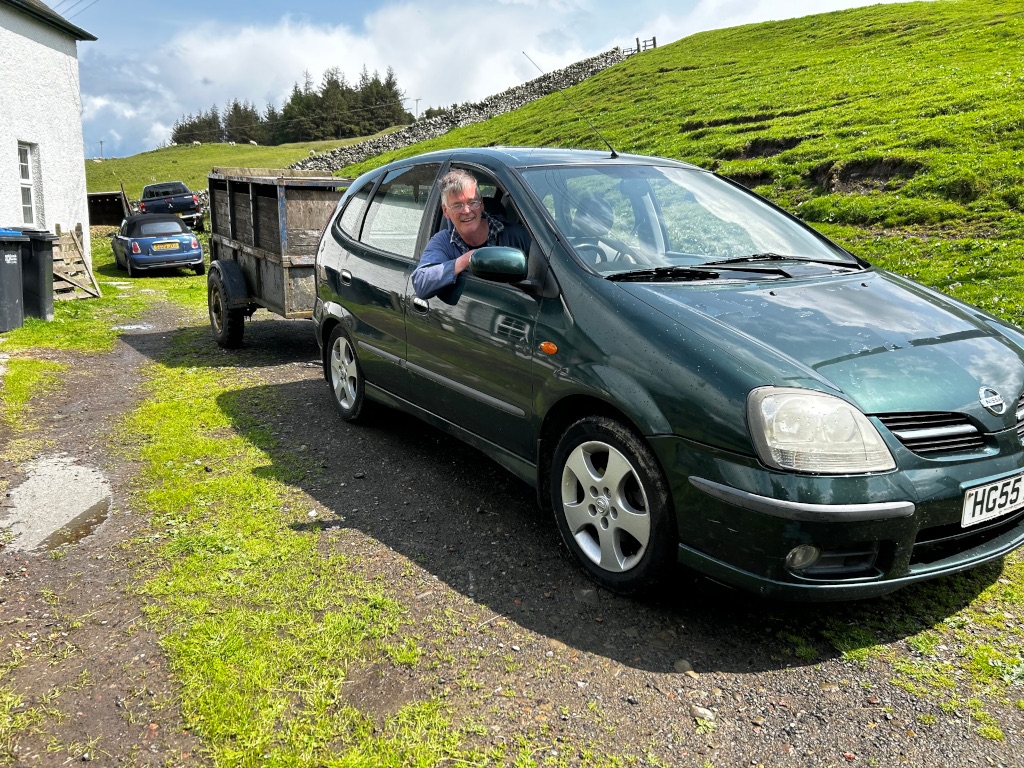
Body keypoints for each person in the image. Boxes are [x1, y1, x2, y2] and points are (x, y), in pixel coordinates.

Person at [411, 169, 531, 303]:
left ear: (481, 204)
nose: (467, 211)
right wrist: (466, 259)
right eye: (457, 205)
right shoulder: (443, 242)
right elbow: (421, 283)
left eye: (472, 202)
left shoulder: (517, 235)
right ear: (446, 211)